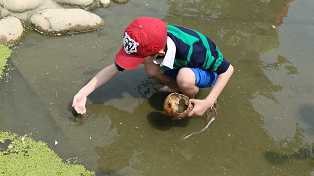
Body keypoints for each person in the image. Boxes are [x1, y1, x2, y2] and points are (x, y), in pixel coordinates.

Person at [72, 17, 234, 117]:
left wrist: (208, 101)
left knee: (185, 77)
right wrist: (83, 93)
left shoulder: (195, 50)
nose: (133, 62)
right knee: (150, 69)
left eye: (137, 58)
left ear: (160, 52)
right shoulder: (149, 37)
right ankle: (176, 87)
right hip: (180, 63)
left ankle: (190, 98)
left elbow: (227, 70)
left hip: (208, 72)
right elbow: (113, 68)